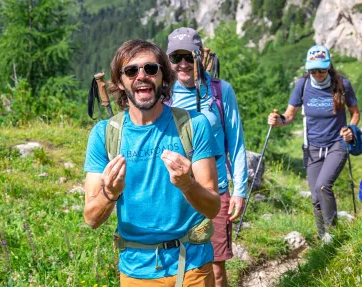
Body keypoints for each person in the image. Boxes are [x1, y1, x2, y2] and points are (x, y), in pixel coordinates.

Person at [83, 39, 222, 287]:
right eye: (131, 70)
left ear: (164, 78)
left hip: (192, 265)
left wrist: (187, 184)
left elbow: (212, 208)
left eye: (151, 69)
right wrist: (110, 193)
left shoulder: (194, 125)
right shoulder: (104, 134)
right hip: (137, 272)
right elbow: (91, 218)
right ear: (119, 82)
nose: (141, 76)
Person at [166, 27, 249, 287]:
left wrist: (240, 190)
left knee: (215, 268)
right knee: (175, 265)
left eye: (189, 57)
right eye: (175, 57)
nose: (182, 64)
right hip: (174, 191)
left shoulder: (220, 91)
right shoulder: (163, 94)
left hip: (216, 190)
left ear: (200, 56)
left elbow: (236, 141)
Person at [268, 45, 360, 243]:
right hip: (312, 147)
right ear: (308, 69)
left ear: (329, 67)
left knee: (323, 186)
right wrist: (278, 121)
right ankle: (322, 240)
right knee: (315, 198)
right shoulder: (303, 85)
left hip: (337, 144)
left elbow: (355, 113)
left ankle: (333, 235)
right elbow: (288, 116)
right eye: (313, 70)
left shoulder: (342, 84)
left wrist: (350, 129)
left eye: (322, 69)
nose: (317, 74)